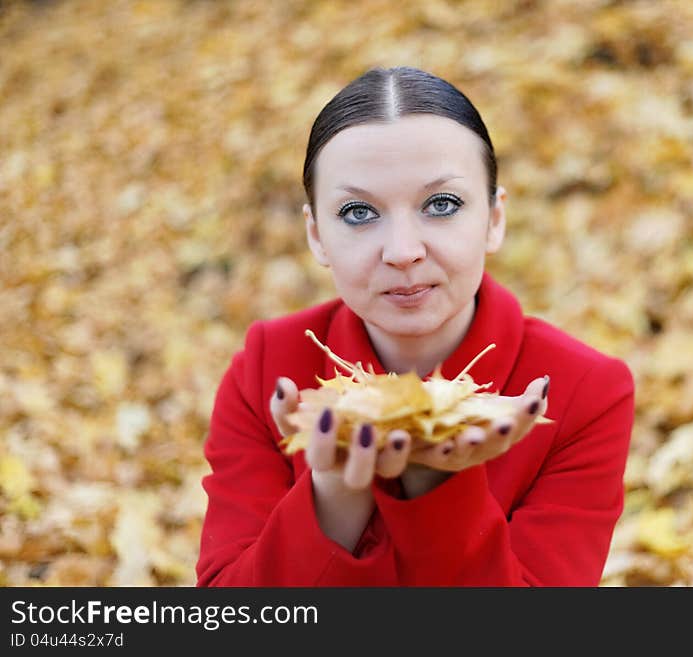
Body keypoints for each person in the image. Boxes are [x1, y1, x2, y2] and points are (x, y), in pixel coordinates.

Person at [196, 66, 635, 586]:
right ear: (316, 236)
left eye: (442, 205)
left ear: (494, 220)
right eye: (359, 212)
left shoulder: (583, 392)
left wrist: (439, 488)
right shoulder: (267, 371)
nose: (403, 252)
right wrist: (333, 497)